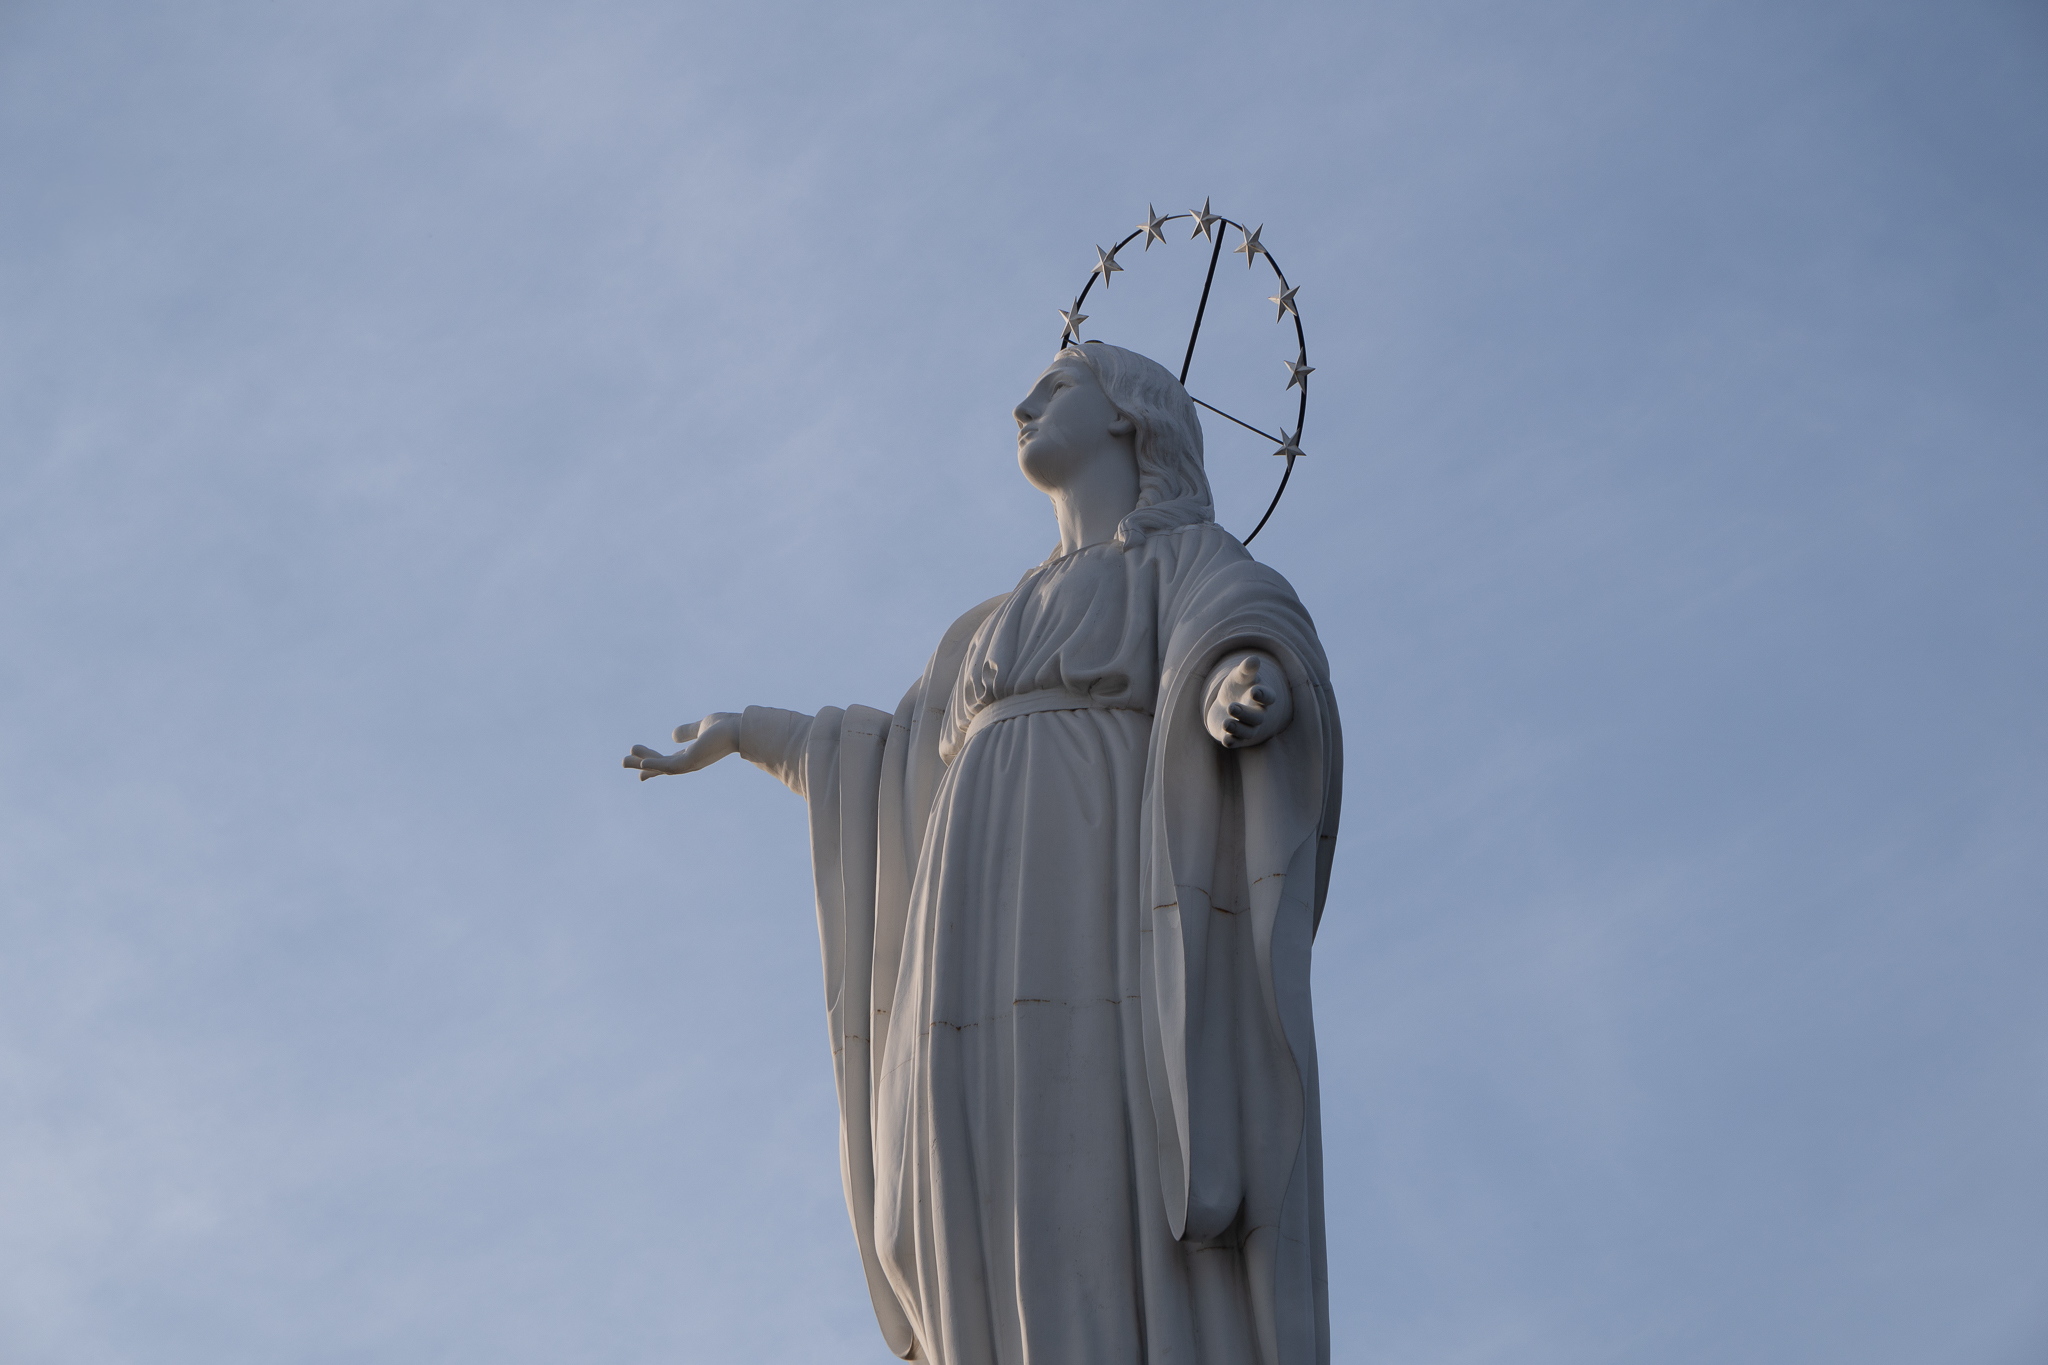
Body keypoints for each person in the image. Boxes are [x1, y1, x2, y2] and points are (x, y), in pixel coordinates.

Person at [626, 342, 1342, 1365]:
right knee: (959, 1167)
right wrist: (750, 731)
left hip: (1094, 877)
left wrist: (1238, 687)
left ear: (1129, 417)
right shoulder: (982, 629)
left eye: (1053, 389)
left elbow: (1243, 632)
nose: (1020, 405)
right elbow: (887, 767)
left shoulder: (1182, 562)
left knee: (1093, 1132)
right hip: (964, 907)